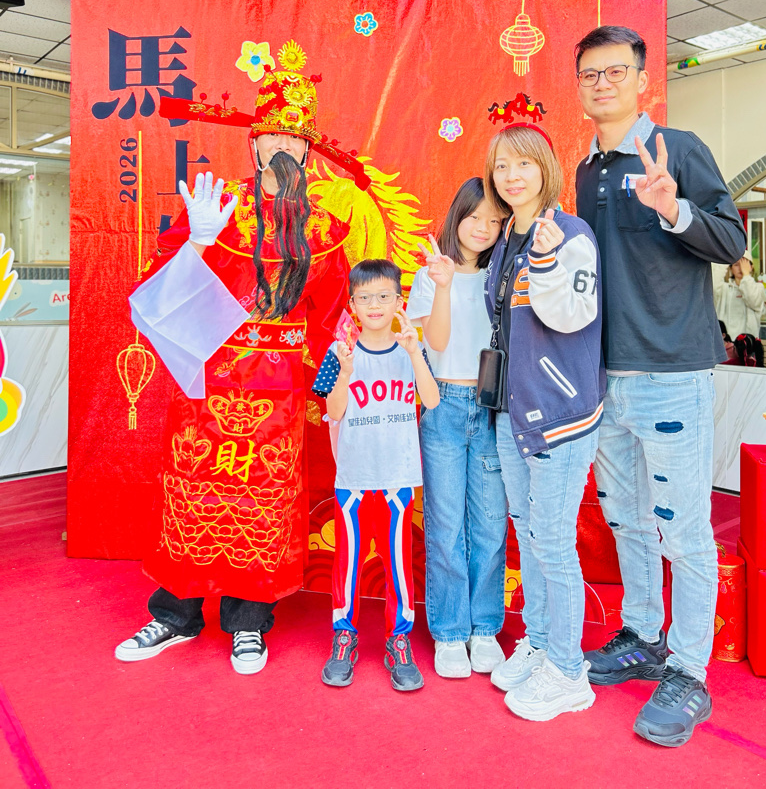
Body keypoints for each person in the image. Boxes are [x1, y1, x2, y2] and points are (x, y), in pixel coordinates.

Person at [115, 41, 367, 674]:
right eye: (270, 136)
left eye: (293, 139)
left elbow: (333, 315)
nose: (281, 147)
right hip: (209, 381)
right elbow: (156, 288)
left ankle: (249, 621)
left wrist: (330, 383)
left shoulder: (323, 227)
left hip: (280, 390)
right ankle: (175, 614)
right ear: (254, 144)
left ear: (307, 152)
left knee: (262, 499)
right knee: (195, 491)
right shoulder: (217, 202)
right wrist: (196, 243)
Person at [573, 25, 747, 747]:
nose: (603, 83)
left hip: (671, 374)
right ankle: (643, 635)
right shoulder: (585, 171)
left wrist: (674, 208)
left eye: (616, 71)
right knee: (626, 520)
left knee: (683, 528)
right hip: (603, 378)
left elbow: (732, 242)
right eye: (591, 74)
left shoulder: (678, 148)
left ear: (643, 80)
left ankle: (689, 671)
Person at [483, 122, 605, 722]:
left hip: (559, 413)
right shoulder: (506, 235)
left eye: (523, 164)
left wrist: (548, 258)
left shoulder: (570, 233)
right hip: (513, 410)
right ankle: (539, 641)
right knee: (528, 531)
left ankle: (568, 670)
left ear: (545, 170)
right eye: (502, 166)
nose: (512, 176)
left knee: (553, 540)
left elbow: (572, 316)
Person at [312, 259, 440, 691]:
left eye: (384, 296)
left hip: (397, 477)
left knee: (398, 564)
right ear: (352, 304)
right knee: (347, 562)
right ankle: (344, 636)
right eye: (365, 298)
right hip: (353, 477)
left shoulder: (411, 347)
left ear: (398, 301)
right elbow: (332, 411)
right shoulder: (339, 352)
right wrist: (346, 374)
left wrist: (415, 353)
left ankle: (398, 639)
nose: (375, 304)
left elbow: (432, 400)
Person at [406, 178, 509, 679]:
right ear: (457, 216)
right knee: (446, 526)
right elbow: (438, 342)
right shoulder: (431, 273)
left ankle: (484, 628)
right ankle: (449, 632)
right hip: (443, 405)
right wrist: (444, 285)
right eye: (475, 217)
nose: (483, 228)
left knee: (490, 525)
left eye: (495, 220)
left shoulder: (503, 274)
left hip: (492, 407)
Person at [714, 253, 764, 338]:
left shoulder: (758, 288)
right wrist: (727, 257)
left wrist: (746, 275)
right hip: (726, 342)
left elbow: (753, 300)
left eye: (744, 265)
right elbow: (714, 281)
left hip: (747, 343)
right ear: (731, 268)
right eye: (736, 265)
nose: (741, 268)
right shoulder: (724, 288)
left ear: (751, 267)